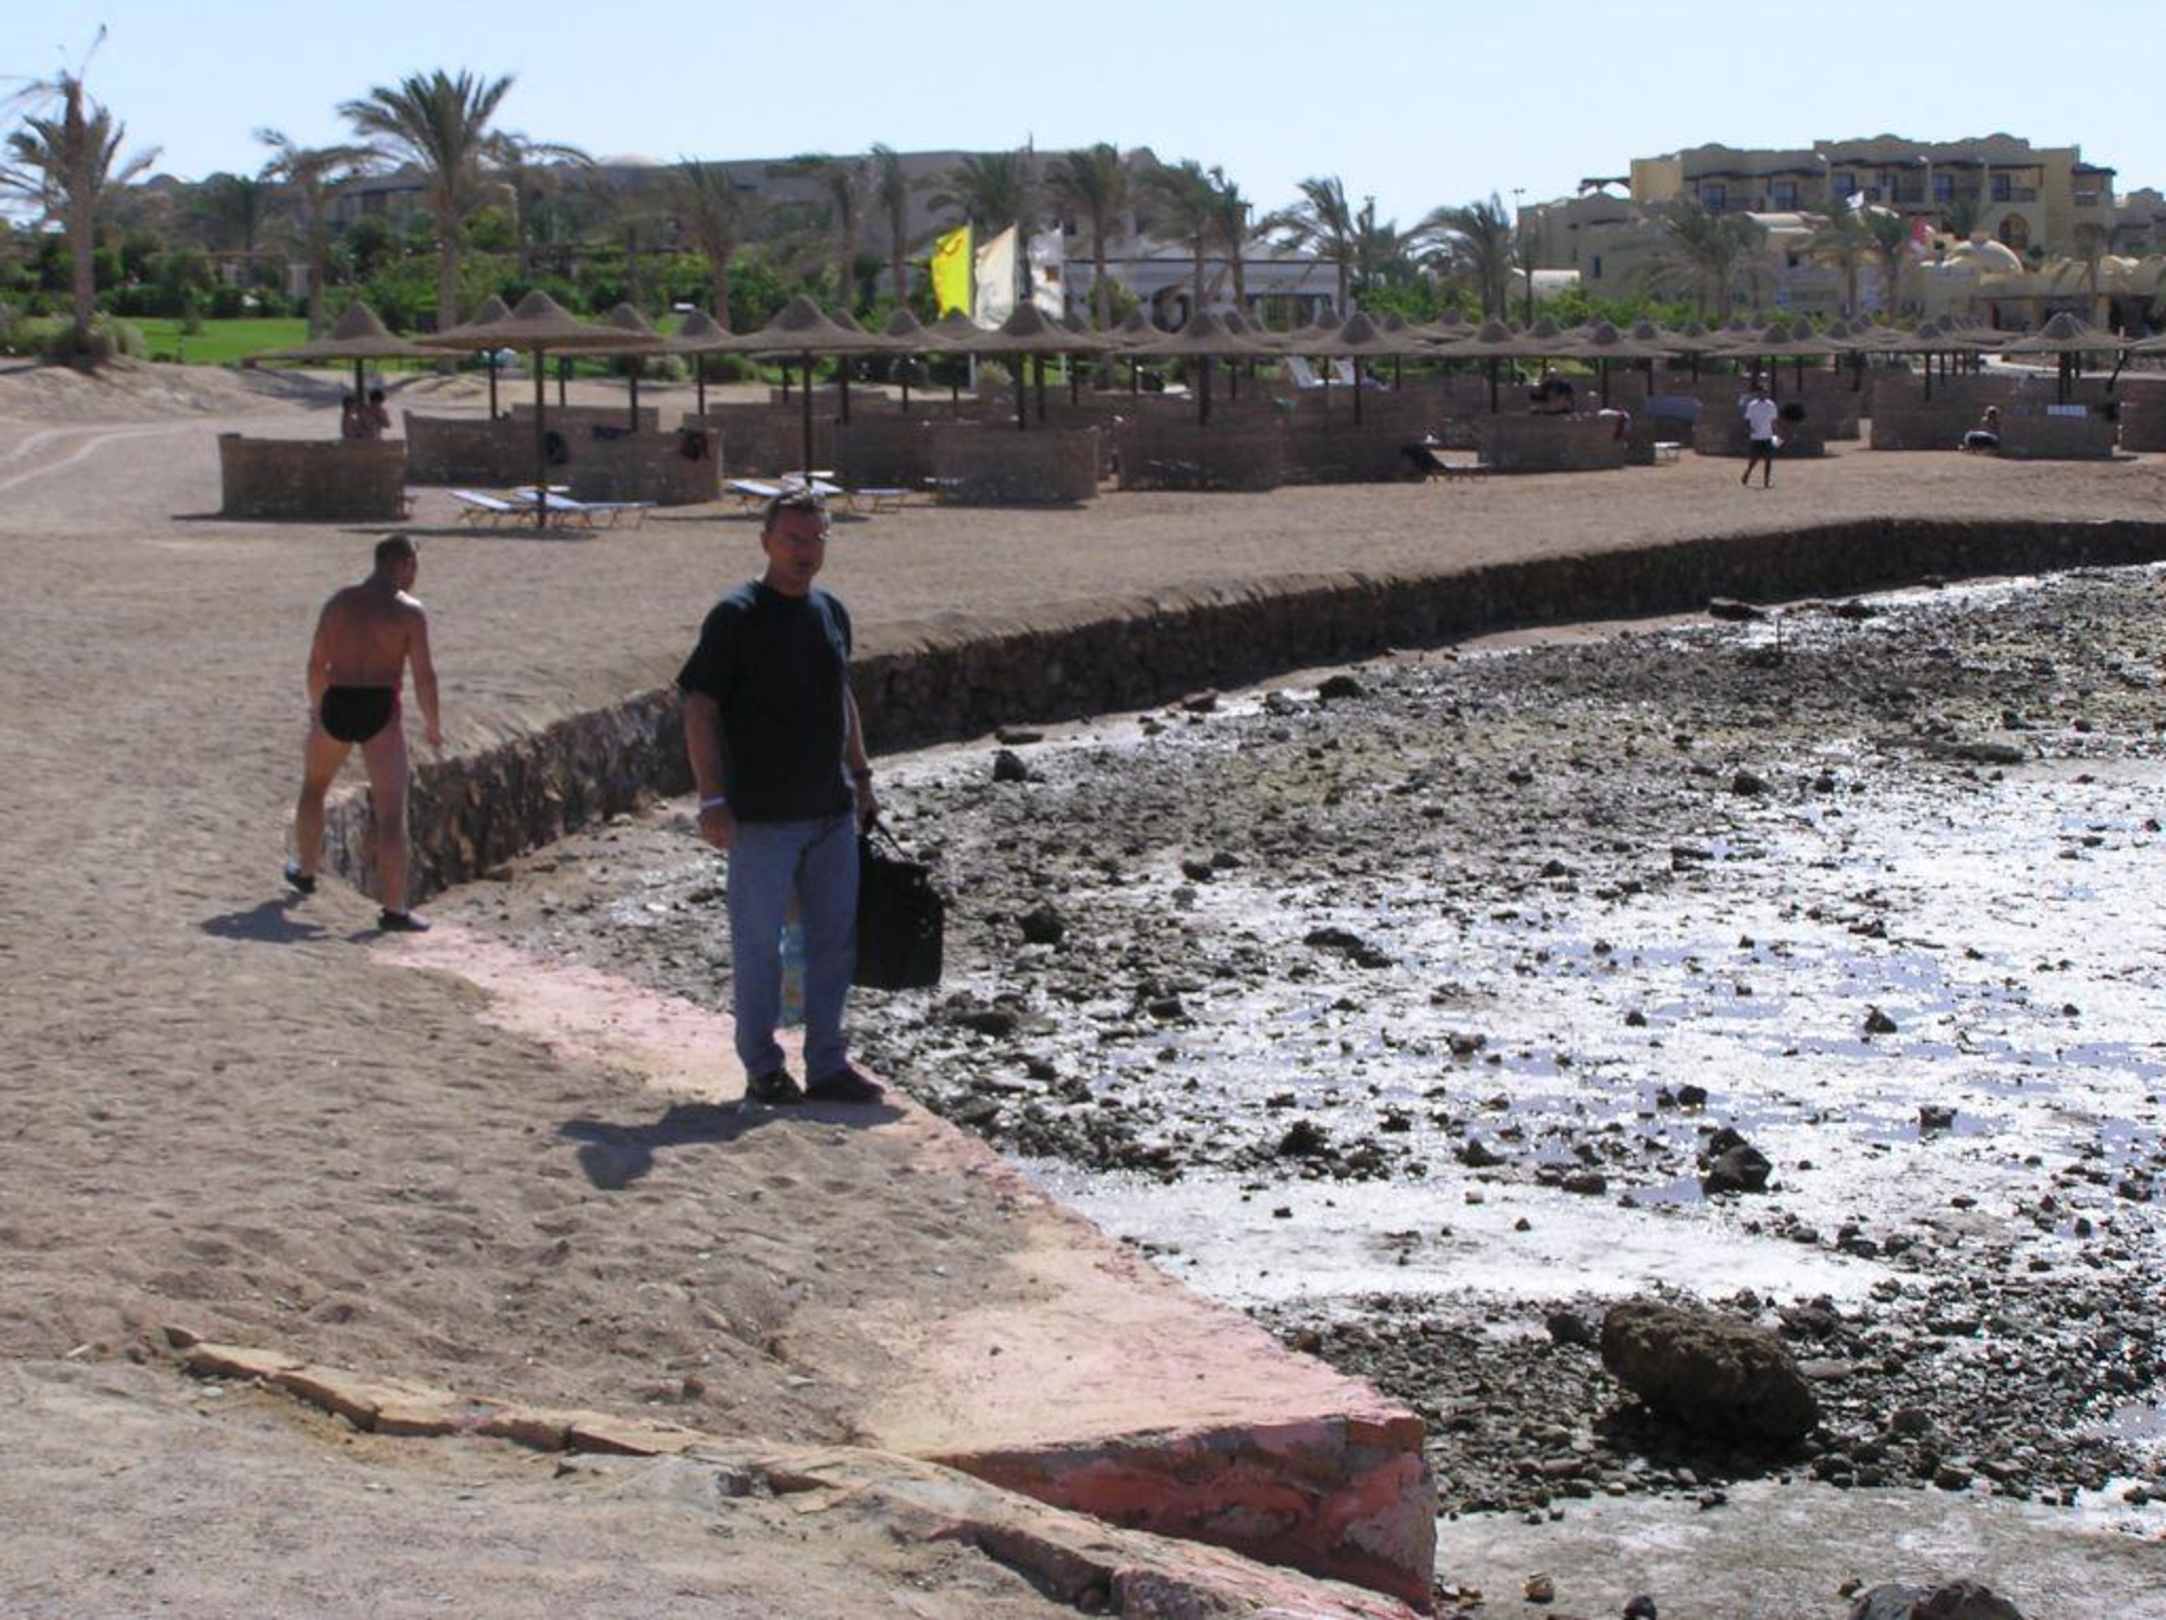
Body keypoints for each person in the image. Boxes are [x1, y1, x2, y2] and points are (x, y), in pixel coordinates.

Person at [679, 489, 883, 1107]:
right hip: (762, 818)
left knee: (833, 944)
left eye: (816, 538)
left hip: (831, 811)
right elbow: (698, 706)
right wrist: (712, 801)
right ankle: (763, 1067)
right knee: (758, 947)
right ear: (766, 541)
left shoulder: (831, 612)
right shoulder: (735, 616)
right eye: (794, 538)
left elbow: (841, 696)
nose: (805, 551)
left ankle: (827, 1065)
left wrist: (861, 777)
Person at [286, 535, 443, 931]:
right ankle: (394, 909)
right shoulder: (408, 612)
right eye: (414, 566)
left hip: (337, 700)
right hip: (379, 707)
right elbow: (424, 677)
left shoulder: (339, 603)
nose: (416, 575)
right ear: (403, 563)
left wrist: (318, 710)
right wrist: (433, 725)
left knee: (314, 788)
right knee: (391, 812)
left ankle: (305, 872)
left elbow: (316, 665)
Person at [1741, 384, 1781, 487]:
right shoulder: (1752, 405)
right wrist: (1749, 428)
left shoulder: (1771, 405)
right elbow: (1747, 419)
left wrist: (1776, 435)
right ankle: (1747, 473)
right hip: (1756, 437)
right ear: (1757, 393)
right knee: (1754, 459)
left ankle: (1766, 481)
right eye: (1761, 392)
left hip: (1767, 436)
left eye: (1765, 392)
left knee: (1768, 459)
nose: (1763, 394)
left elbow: (1774, 421)